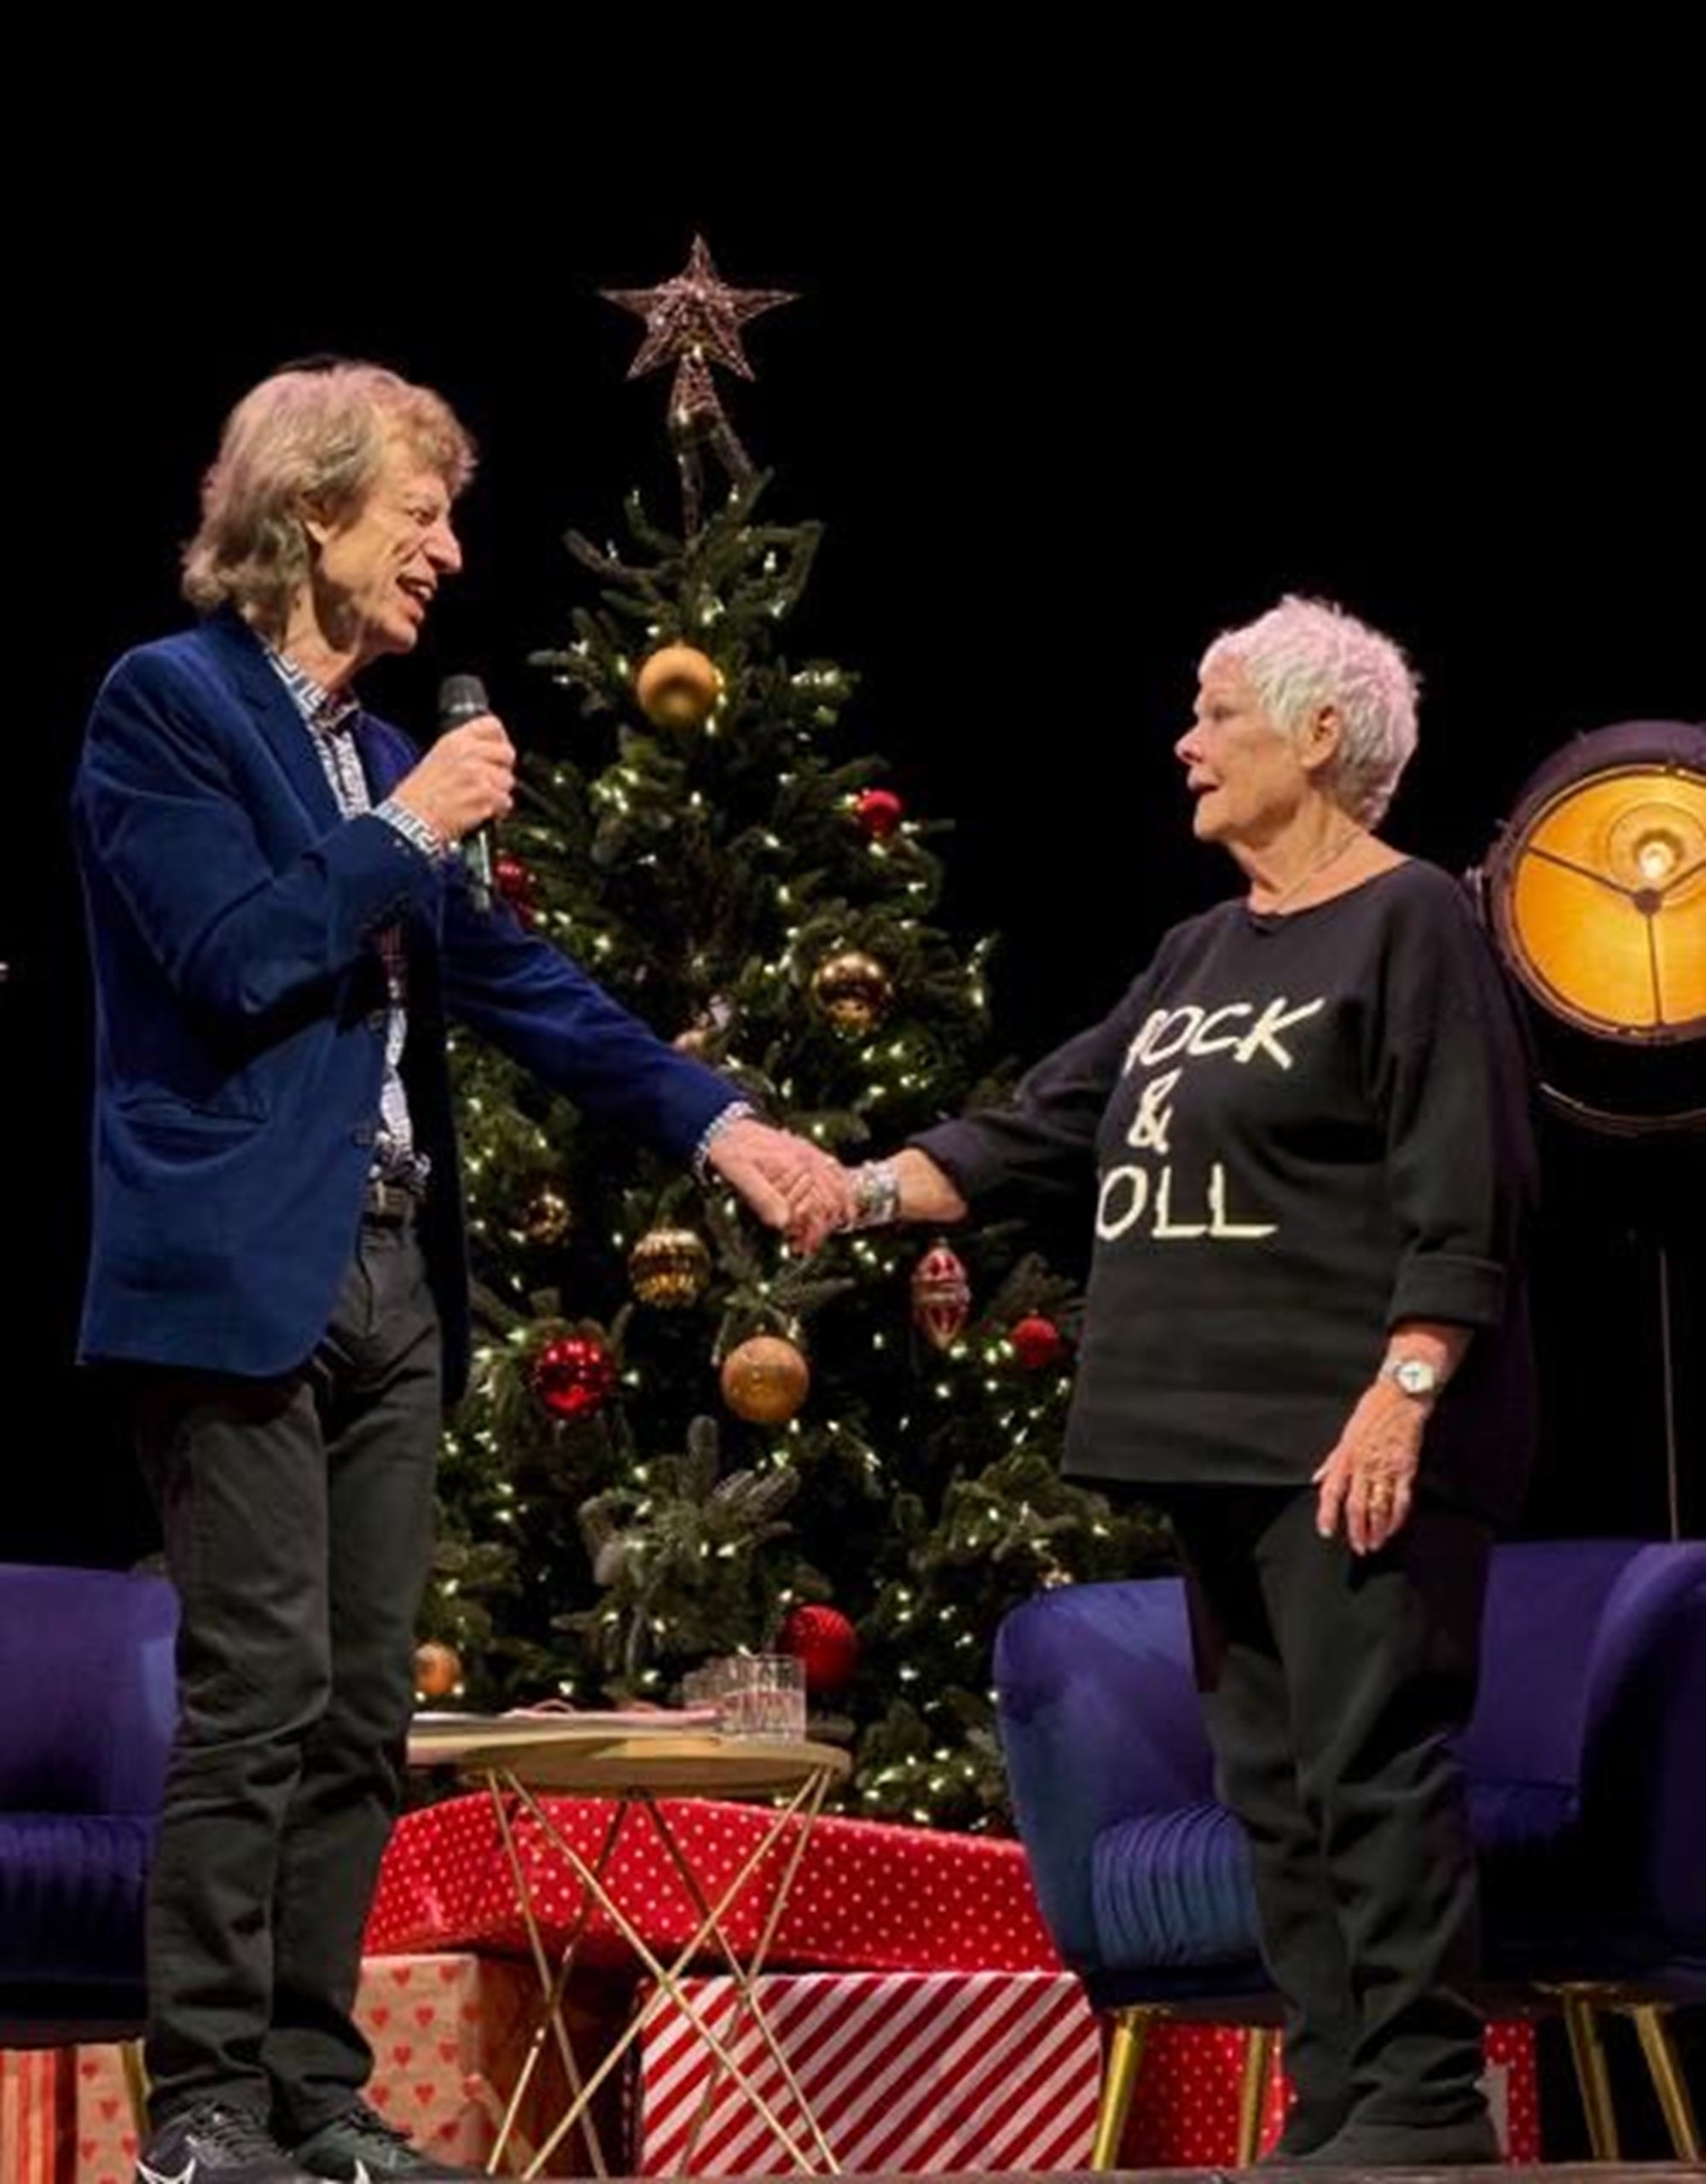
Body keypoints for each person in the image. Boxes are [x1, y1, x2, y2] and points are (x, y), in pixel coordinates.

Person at [74, 359, 844, 2184]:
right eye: (421, 515)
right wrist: (411, 821)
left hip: (395, 1274)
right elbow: (239, 955)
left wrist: (721, 1127)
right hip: (233, 1268)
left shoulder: (367, 751)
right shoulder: (166, 707)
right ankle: (200, 2110)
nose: (449, 551)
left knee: (356, 1704)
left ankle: (314, 2099)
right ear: (314, 511)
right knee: (255, 1687)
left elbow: (516, 988)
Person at [837, 597, 1536, 2169]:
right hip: (1209, 1433)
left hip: (1352, 1429)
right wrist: (865, 1189)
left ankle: (1427, 2104)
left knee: (1369, 1768)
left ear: (1322, 738)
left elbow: (1467, 1181)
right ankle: (1338, 2101)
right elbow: (1048, 1122)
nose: (1187, 742)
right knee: (1276, 1791)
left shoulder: (1414, 920)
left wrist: (1406, 1385)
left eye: (1218, 713)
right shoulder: (1198, 953)